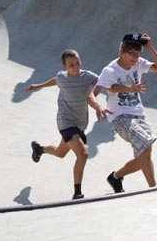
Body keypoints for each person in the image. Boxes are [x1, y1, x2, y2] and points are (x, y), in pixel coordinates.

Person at [89, 33, 157, 193]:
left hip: (139, 115)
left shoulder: (138, 63)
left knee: (145, 154)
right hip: (120, 117)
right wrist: (98, 107)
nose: (135, 58)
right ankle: (153, 187)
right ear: (122, 52)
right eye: (131, 54)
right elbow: (92, 93)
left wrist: (150, 47)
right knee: (145, 146)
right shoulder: (110, 70)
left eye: (138, 54)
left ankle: (116, 177)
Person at [27, 49, 106, 200]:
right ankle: (77, 193)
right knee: (83, 154)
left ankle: (39, 149)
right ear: (65, 67)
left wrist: (101, 94)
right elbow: (55, 80)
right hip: (65, 121)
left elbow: (104, 81)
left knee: (60, 153)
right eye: (71, 65)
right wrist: (39, 86)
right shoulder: (62, 77)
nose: (75, 67)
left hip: (80, 123)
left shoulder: (88, 76)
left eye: (77, 63)